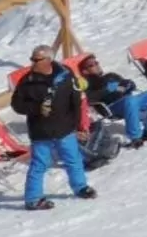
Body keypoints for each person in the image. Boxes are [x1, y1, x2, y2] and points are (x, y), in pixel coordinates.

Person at [9, 46, 96, 210]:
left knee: (73, 159)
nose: (32, 63)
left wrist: (80, 126)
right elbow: (17, 105)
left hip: (65, 128)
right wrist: (37, 108)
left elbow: (76, 100)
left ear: (49, 60)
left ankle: (81, 187)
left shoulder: (65, 74)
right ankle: (33, 199)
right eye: (32, 59)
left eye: (36, 60)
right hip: (41, 131)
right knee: (39, 165)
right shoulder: (27, 81)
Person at [78, 53, 147, 148]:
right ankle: (135, 136)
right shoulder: (86, 84)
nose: (97, 65)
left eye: (96, 62)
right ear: (85, 71)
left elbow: (130, 83)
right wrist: (107, 90)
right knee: (130, 100)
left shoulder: (111, 76)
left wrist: (125, 86)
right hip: (113, 107)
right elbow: (87, 98)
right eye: (91, 65)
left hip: (132, 100)